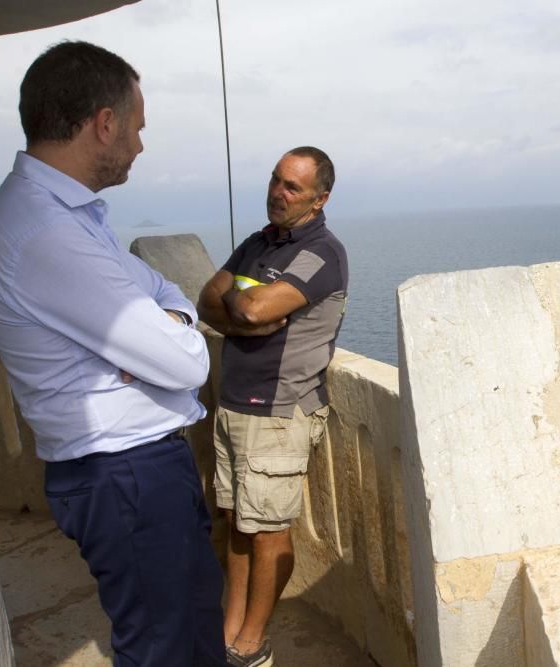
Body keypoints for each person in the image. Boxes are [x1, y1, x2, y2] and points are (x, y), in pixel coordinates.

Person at [0, 41, 227, 666]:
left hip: (132, 470)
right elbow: (189, 364)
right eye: (136, 128)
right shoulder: (47, 230)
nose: (140, 146)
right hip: (125, 476)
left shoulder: (67, 215)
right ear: (104, 123)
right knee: (162, 649)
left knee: (193, 630)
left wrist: (169, 325)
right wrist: (171, 340)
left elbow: (168, 293)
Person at [198, 146, 348, 667]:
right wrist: (245, 311)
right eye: (275, 180)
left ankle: (252, 644)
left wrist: (243, 301)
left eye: (292, 188)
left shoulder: (320, 252)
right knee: (240, 524)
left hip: (278, 413)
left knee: (269, 533)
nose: (277, 193)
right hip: (236, 405)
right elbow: (206, 299)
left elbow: (255, 304)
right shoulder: (258, 243)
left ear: (319, 199)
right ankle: (230, 630)